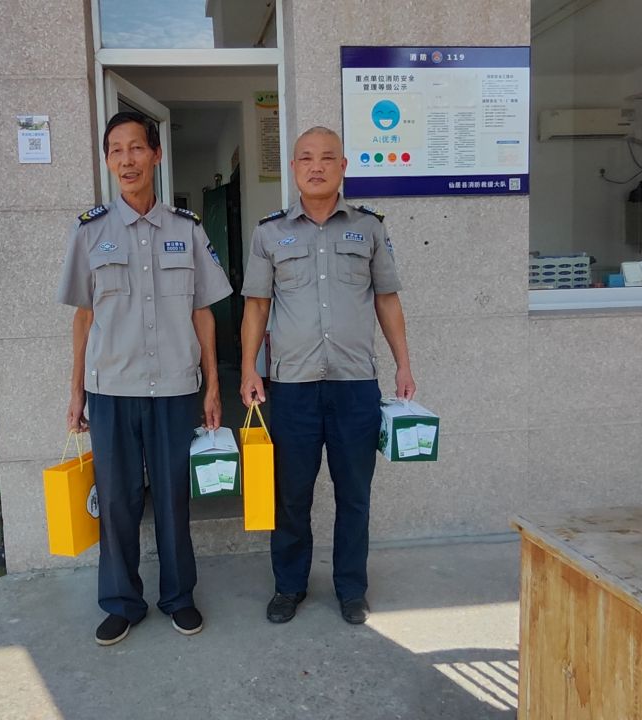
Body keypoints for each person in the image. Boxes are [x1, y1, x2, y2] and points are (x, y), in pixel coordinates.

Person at [56, 111, 232, 646]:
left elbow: (204, 312)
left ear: (156, 154)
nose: (127, 159)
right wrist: (75, 391)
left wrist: (212, 385)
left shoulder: (187, 229)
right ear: (108, 161)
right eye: (116, 150)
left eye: (136, 148)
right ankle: (121, 602)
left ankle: (179, 597)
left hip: (175, 389)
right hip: (111, 390)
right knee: (117, 501)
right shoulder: (90, 232)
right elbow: (83, 317)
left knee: (174, 498)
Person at [240, 126, 416, 626]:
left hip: (355, 386)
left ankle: (351, 589)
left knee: (354, 495)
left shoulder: (369, 228)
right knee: (291, 496)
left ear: (343, 167)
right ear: (293, 168)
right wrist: (250, 368)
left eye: (326, 158)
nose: (316, 166)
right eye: (305, 158)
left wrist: (404, 363)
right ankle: (289, 586)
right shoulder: (269, 233)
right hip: (291, 387)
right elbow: (257, 306)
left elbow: (387, 299)